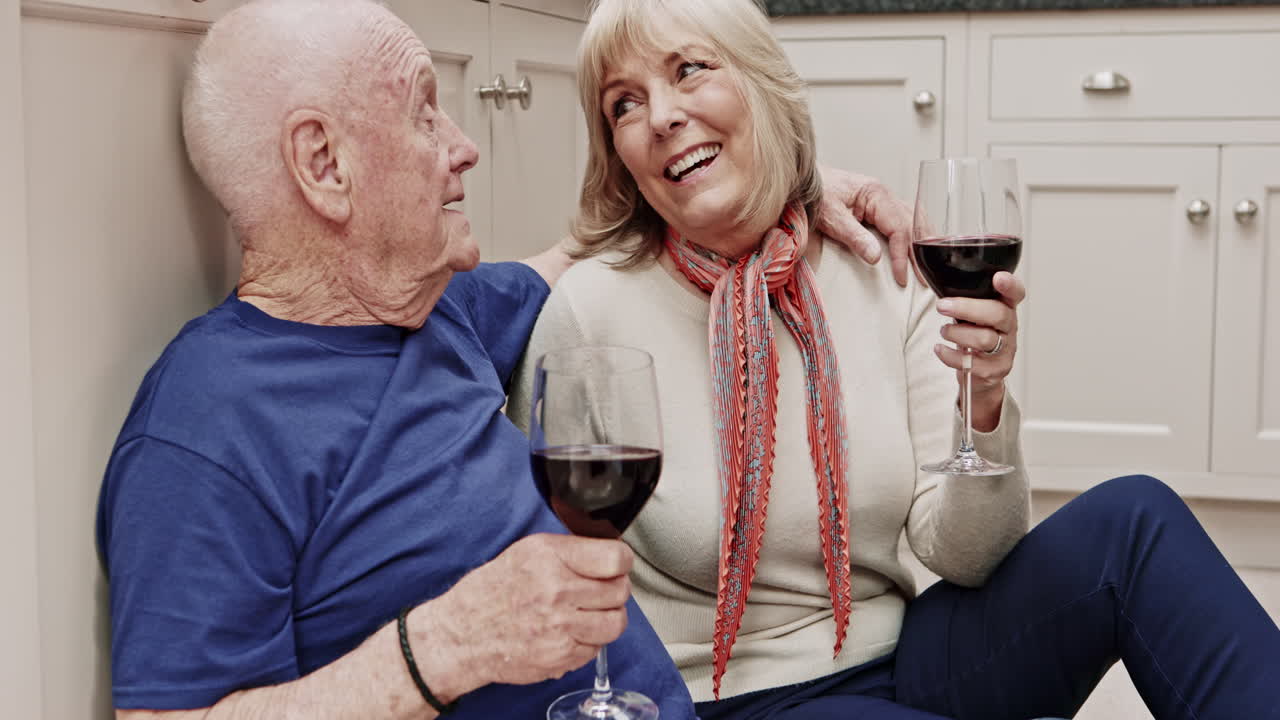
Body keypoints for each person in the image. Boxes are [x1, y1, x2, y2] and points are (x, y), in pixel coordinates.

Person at [94, 1, 918, 718]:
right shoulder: (206, 427)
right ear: (324, 165)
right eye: (423, 113)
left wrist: (789, 185)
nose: (464, 146)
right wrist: (440, 650)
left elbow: (589, 245)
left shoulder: (438, 308)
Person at [508, 0, 1280, 718]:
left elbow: (966, 556)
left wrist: (983, 403)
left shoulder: (875, 264)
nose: (664, 116)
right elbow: (538, 567)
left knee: (1136, 522)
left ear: (763, 86)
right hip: (738, 695)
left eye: (688, 70)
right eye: (624, 103)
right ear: (618, 152)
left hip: (902, 648)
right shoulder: (591, 310)